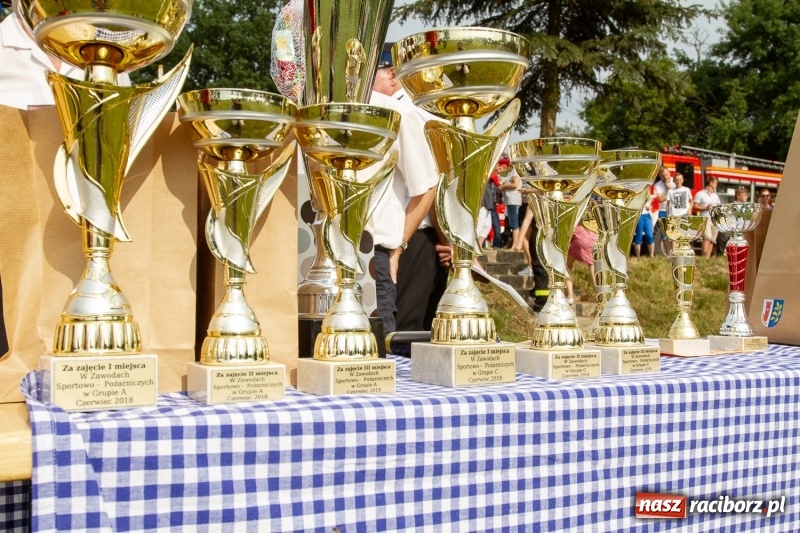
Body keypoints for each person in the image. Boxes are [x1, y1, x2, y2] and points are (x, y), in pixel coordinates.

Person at [369, 53, 450, 333]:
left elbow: (430, 185)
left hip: (414, 237)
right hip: (412, 237)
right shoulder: (417, 111)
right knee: (411, 330)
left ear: (392, 74)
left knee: (404, 331)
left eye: (371, 73)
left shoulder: (408, 112)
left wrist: (446, 241)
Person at [496, 156, 523, 250]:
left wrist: (503, 187)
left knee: (514, 224)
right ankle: (514, 245)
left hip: (513, 200)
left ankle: (514, 245)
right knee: (512, 222)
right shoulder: (511, 172)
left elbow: (515, 184)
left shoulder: (516, 171)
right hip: (510, 200)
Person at [693, 177, 722, 257]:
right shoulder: (700, 194)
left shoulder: (715, 195)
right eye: (715, 183)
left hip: (714, 220)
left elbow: (719, 207)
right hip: (705, 219)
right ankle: (704, 257)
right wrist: (706, 207)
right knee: (707, 238)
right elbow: (695, 206)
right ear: (711, 183)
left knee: (712, 240)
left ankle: (708, 258)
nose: (716, 185)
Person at [652, 166, 675, 255]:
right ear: (660, 176)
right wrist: (670, 195)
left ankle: (675, 253)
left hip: (674, 210)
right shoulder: (657, 185)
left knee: (675, 233)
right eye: (663, 175)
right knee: (664, 235)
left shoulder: (675, 182)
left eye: (666, 174)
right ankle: (668, 254)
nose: (665, 177)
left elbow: (677, 195)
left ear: (669, 173)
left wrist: (667, 186)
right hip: (663, 210)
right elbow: (660, 199)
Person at [632, 186, 655, 257]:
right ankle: (638, 257)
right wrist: (644, 206)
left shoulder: (650, 195)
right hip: (639, 216)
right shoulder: (637, 195)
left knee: (649, 235)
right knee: (639, 236)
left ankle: (651, 256)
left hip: (647, 216)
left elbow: (653, 203)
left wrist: (651, 207)